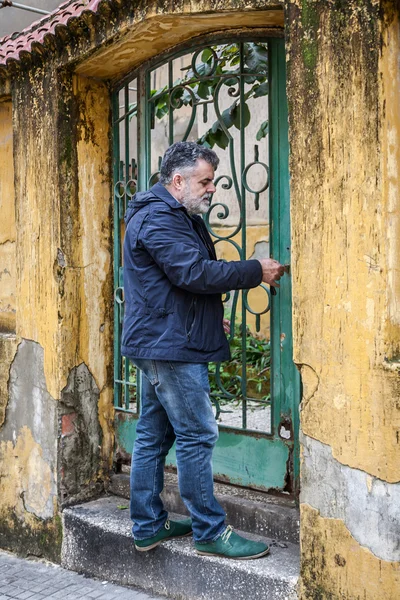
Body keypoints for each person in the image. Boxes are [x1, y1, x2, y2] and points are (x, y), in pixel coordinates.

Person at [122, 141, 286, 559]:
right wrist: (256, 270)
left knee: (153, 434)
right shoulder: (160, 217)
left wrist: (211, 318)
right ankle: (210, 531)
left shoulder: (171, 214)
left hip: (164, 338)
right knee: (197, 433)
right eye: (205, 181)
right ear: (177, 181)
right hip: (171, 347)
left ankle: (148, 525)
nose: (211, 189)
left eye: (212, 180)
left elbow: (171, 284)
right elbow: (193, 272)